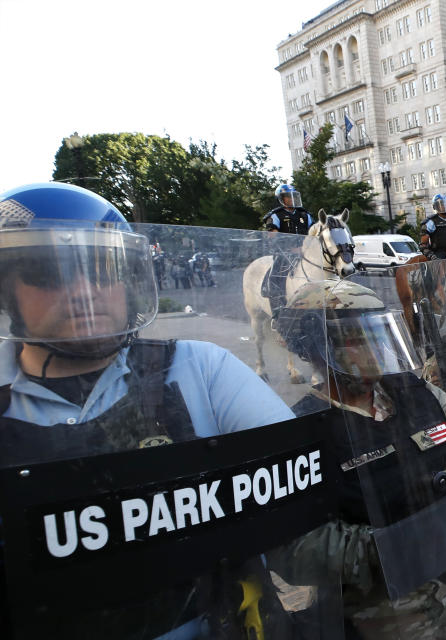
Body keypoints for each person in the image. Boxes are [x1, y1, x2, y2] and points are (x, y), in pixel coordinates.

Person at [0, 183, 306, 635]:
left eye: (104, 271)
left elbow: (301, 494)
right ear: (7, 290)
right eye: (48, 273)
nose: (85, 291)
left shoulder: (200, 368)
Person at [275, 278, 446, 639]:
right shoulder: (300, 432)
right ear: (318, 348)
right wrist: (389, 545)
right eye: (357, 337)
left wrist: (444, 483)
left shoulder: (416, 392)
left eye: (377, 333)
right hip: (388, 614)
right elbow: (295, 547)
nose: (375, 347)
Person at [263, 184, 314, 316]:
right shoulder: (275, 216)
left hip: (305, 253)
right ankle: (278, 314)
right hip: (284, 254)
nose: (292, 199)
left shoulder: (305, 214)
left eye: (293, 196)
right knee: (274, 279)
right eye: (288, 197)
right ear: (281, 199)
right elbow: (273, 237)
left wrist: (307, 248)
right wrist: (292, 249)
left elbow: (313, 233)